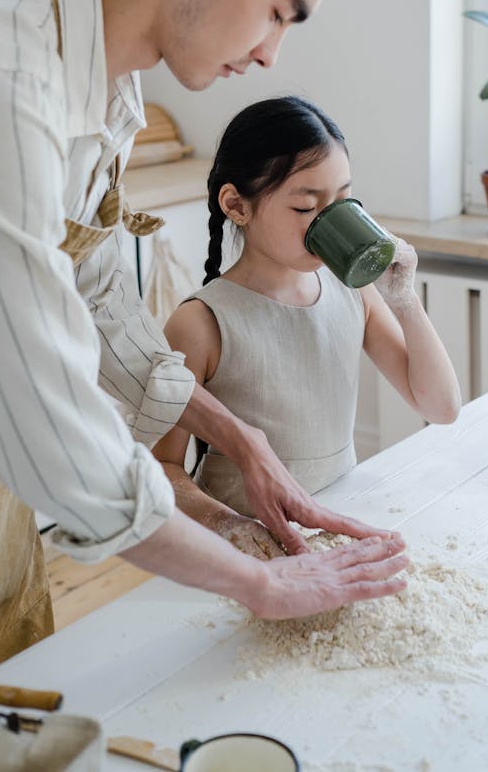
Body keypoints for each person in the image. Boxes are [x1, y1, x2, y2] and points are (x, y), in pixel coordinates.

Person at [0, 0, 407, 693]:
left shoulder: (108, 90)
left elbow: (101, 300)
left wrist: (238, 436)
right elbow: (50, 428)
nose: (271, 54)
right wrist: (264, 580)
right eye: (280, 9)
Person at [153, 96, 461, 557]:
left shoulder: (352, 292)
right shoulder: (201, 322)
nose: (329, 219)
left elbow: (440, 407)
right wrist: (236, 528)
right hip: (241, 549)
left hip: (335, 524)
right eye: (305, 207)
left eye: (342, 200)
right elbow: (161, 468)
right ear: (237, 205)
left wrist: (404, 300)